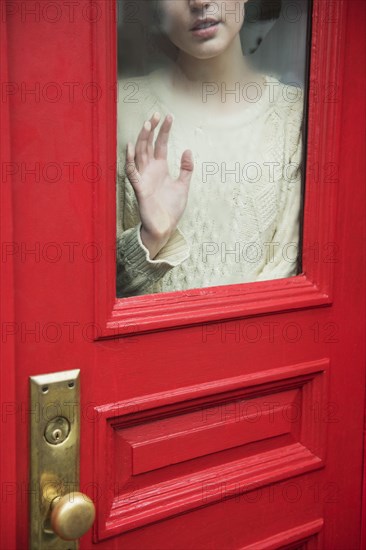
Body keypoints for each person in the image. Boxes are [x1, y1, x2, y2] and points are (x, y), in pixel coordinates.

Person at [116, 0, 304, 298]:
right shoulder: (120, 109)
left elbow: (291, 276)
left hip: (258, 342)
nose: (199, 2)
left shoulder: (294, 116)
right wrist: (150, 238)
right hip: (149, 344)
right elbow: (87, 292)